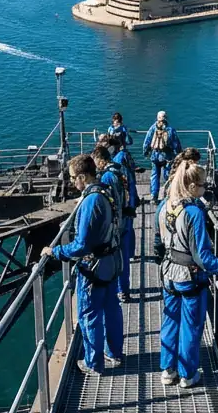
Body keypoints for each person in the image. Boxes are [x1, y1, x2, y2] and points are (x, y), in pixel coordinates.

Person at [156, 162, 218, 389]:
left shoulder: (164, 206)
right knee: (190, 327)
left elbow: (158, 244)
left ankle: (168, 371)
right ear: (193, 186)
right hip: (190, 277)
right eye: (204, 185)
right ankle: (187, 375)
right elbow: (203, 258)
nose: (206, 189)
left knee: (170, 322)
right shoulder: (194, 213)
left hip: (168, 273)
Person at [42, 154, 123, 375]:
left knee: (90, 314)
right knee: (111, 308)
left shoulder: (90, 202)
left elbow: (81, 245)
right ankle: (114, 352)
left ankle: (93, 363)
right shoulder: (105, 191)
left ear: (83, 176)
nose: (71, 182)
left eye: (73, 178)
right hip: (112, 260)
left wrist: (55, 251)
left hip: (94, 266)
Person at [99, 133, 140, 302]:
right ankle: (124, 289)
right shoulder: (120, 165)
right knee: (126, 246)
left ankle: (120, 289)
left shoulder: (108, 175)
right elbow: (130, 183)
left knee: (117, 256)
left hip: (117, 221)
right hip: (126, 212)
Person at [142, 110, 182, 203]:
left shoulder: (153, 128)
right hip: (167, 156)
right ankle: (167, 195)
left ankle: (154, 196)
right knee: (167, 176)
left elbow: (147, 141)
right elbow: (176, 144)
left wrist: (146, 152)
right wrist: (179, 154)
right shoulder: (170, 129)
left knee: (155, 175)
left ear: (157, 118)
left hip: (155, 156)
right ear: (166, 118)